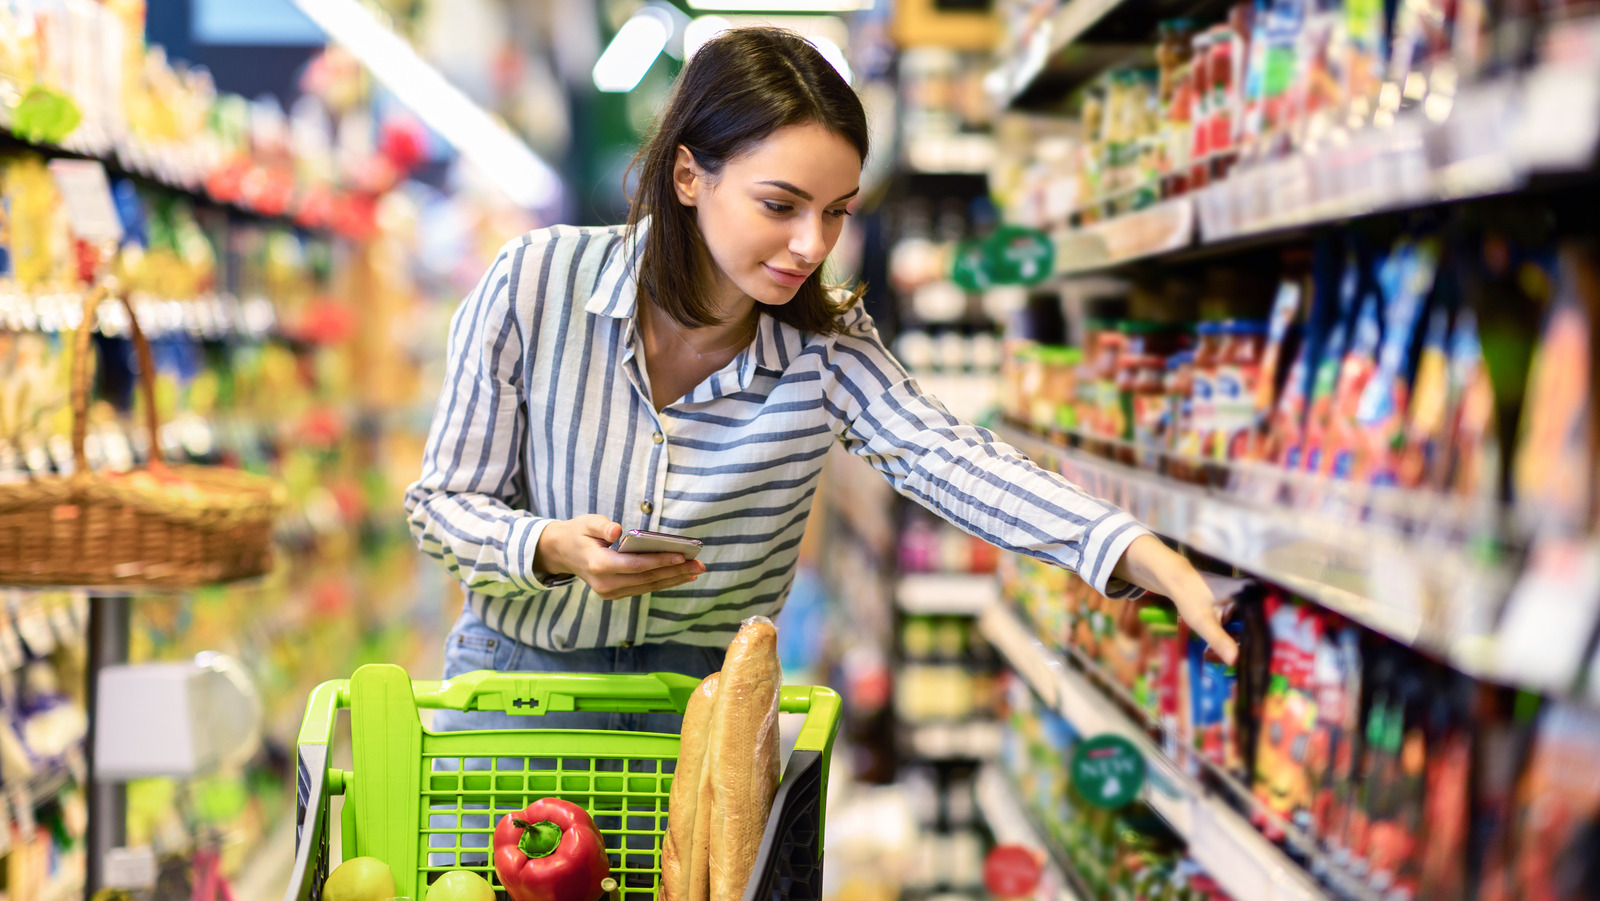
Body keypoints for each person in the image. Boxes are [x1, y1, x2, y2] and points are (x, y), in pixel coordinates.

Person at [405, 27, 1237, 736]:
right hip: (516, 693)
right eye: (781, 205)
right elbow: (442, 502)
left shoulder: (827, 342)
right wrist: (548, 547)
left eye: (837, 210)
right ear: (690, 176)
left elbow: (951, 458)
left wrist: (1134, 550)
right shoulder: (537, 281)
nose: (812, 244)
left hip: (709, 715)